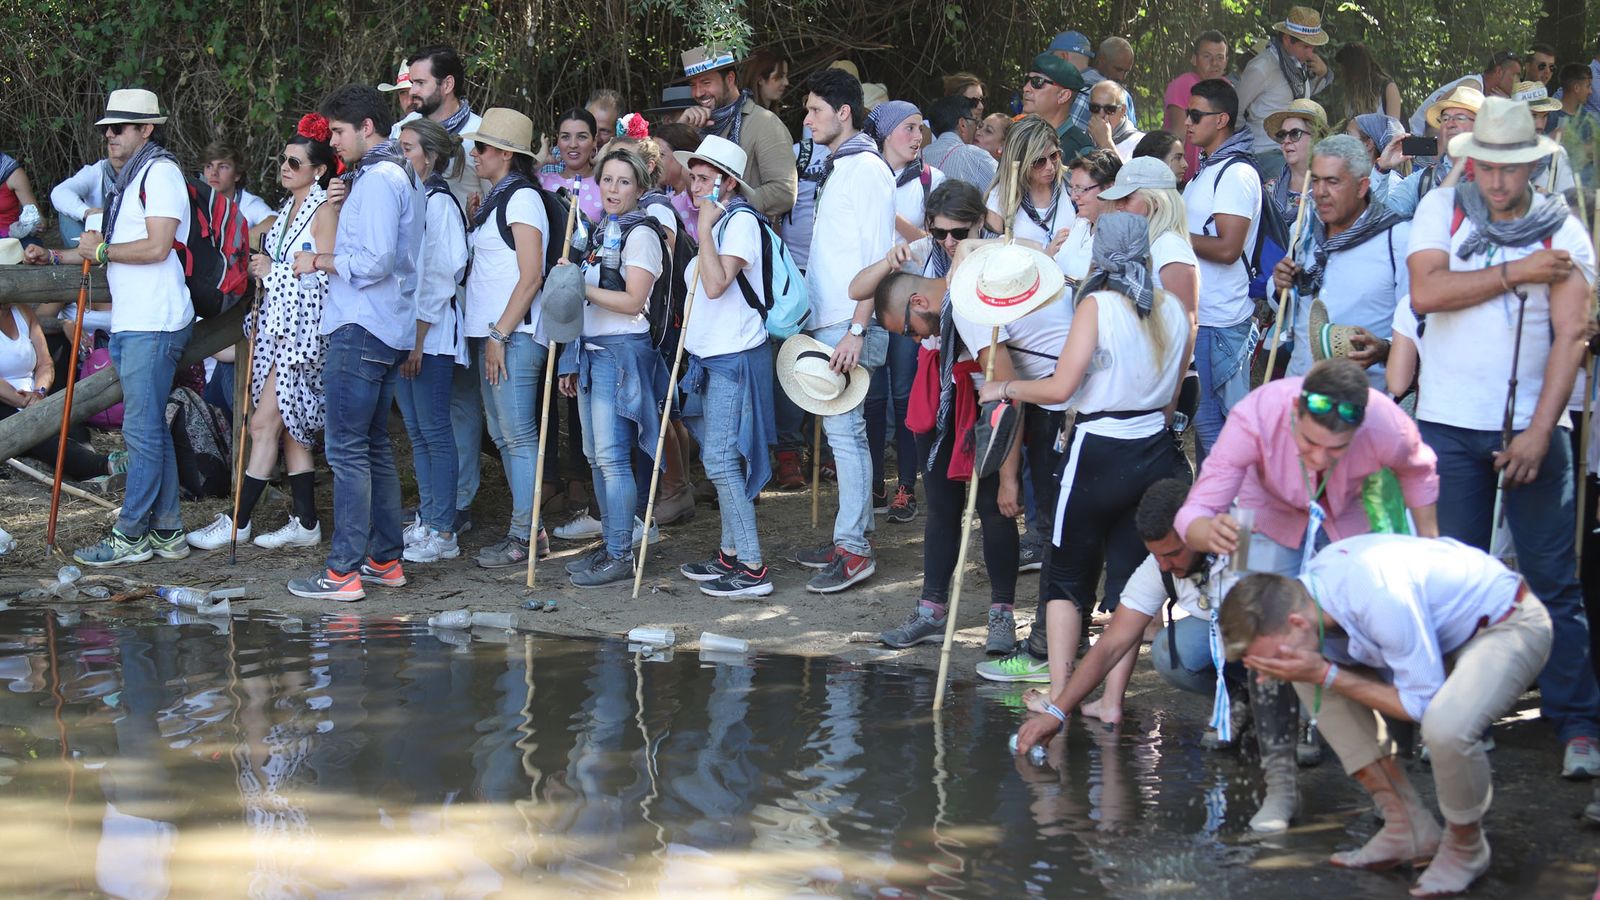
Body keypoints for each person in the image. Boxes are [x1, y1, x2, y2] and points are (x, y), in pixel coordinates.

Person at [1406, 95, 1600, 778]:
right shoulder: (1442, 208)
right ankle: (1458, 717)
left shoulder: (1566, 232)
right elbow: (1426, 293)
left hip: (1535, 430)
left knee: (1552, 581)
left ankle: (1578, 726)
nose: (1496, 182)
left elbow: (1572, 334)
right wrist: (1516, 272)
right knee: (1453, 576)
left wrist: (1542, 431)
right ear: (1473, 161)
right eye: (1486, 166)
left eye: (1510, 169)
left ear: (1531, 166)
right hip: (1449, 422)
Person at [1178, 358, 1440, 830]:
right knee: (1263, 634)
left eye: (1334, 448)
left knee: (1378, 630)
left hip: (1348, 516)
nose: (1318, 458)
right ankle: (1280, 787)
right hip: (1260, 520)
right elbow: (1196, 507)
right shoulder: (1255, 414)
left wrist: (1428, 548)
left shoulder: (1384, 420)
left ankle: (1394, 789)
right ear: (1295, 411)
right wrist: (1205, 530)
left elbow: (1419, 471)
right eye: (1309, 443)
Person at [1219, 536, 1553, 897]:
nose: (1270, 673)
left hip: (1509, 624)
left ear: (1298, 622)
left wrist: (1326, 674)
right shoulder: (1312, 598)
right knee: (1303, 676)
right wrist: (1313, 674)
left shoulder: (1377, 595)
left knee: (1446, 725)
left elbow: (1423, 707)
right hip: (1445, 640)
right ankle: (1406, 825)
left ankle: (1466, 848)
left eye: (1273, 657)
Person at [977, 213, 1193, 725]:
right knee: (1127, 583)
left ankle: (1058, 694)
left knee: (1066, 578)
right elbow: (1170, 400)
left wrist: (1003, 388)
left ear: (1099, 251)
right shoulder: (1174, 309)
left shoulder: (1097, 303)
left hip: (1099, 452)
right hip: (1157, 451)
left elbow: (1060, 390)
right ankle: (1111, 703)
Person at [867, 235, 1068, 655]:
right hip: (955, 406)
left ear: (919, 303)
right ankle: (931, 611)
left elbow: (1007, 397)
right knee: (942, 508)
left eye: (907, 330)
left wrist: (1011, 476)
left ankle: (1001, 614)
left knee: (996, 510)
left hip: (1007, 405)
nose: (913, 340)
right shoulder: (947, 299)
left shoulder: (970, 310)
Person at [24, 89, 194, 568]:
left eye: (119, 128)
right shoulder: (128, 178)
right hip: (136, 319)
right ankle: (167, 530)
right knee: (149, 431)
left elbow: (158, 246)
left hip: (154, 322)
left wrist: (98, 252)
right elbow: (106, 250)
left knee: (140, 432)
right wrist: (56, 255)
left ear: (146, 129)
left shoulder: (160, 173)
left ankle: (131, 534)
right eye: (106, 128)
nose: (110, 136)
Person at [285, 83, 422, 601]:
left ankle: (342, 570)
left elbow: (376, 261)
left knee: (347, 451)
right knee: (371, 447)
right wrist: (339, 206)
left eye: (339, 132)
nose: (333, 143)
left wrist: (317, 261)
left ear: (367, 127)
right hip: (381, 326)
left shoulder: (382, 177)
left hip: (362, 327)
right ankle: (384, 561)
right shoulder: (381, 175)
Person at [186, 115, 337, 554]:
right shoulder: (286, 209)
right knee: (288, 427)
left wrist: (276, 272)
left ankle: (238, 520)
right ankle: (306, 521)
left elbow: (329, 279)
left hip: (304, 338)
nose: (286, 166)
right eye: (283, 159)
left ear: (319, 170)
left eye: (296, 161)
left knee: (264, 422)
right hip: (275, 331)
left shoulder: (325, 211)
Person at [1011, 480, 1237, 743]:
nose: (1164, 566)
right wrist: (1056, 713)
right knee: (1169, 651)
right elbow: (1111, 645)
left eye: (1173, 554)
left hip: (1271, 631)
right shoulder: (1159, 566)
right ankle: (1238, 697)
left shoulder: (1238, 546)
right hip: (1223, 633)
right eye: (1157, 555)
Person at [792, 66, 894, 593]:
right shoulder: (843, 165)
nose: (807, 120)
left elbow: (880, 257)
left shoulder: (868, 169)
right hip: (831, 319)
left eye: (814, 110)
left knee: (846, 435)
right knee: (842, 436)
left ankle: (854, 551)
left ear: (843, 112)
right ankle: (852, 537)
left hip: (849, 323)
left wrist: (858, 327)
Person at [556, 146, 670, 588]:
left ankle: (622, 552)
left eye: (624, 182)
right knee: (593, 456)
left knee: (612, 458)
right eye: (607, 180)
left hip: (620, 354)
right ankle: (611, 542)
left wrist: (578, 288)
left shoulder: (641, 233)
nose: (613, 189)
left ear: (640, 188)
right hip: (592, 352)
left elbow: (632, 301)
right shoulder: (604, 228)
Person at [673, 136, 777, 597]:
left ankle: (752, 564)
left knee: (719, 457)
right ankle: (730, 554)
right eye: (692, 176)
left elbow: (715, 286)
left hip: (735, 357)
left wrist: (706, 227)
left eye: (702, 178)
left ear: (727, 183)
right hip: (712, 356)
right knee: (717, 456)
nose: (693, 186)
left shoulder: (739, 224)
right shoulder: (718, 222)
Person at [460, 108, 550, 570]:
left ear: (504, 154)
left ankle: (524, 535)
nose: (473, 154)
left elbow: (531, 275)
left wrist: (500, 332)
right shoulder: (501, 198)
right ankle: (527, 530)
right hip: (496, 335)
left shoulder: (522, 200)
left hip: (512, 335)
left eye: (480, 147)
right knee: (503, 433)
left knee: (517, 436)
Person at [1272, 135, 1408, 389]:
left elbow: (1416, 327)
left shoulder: (1396, 240)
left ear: (1361, 187)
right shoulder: (1304, 230)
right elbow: (1288, 308)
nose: (1320, 192)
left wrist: (1385, 348)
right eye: (1316, 180)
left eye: (1332, 182)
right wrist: (1280, 285)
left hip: (1361, 401)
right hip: (1298, 388)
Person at [395, 117, 469, 564]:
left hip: (431, 336)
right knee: (418, 433)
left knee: (435, 431)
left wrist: (417, 339)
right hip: (409, 334)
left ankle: (444, 529)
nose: (400, 156)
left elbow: (442, 275)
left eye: (407, 148)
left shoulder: (439, 203)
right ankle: (429, 516)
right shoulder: (415, 198)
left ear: (431, 155)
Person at [867, 99, 945, 522]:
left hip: (913, 302)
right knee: (873, 395)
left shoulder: (931, 179)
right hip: (870, 301)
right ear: (886, 133)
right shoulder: (862, 174)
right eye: (908, 128)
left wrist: (892, 216)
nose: (917, 137)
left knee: (906, 394)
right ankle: (876, 482)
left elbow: (940, 240)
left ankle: (906, 488)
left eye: (920, 129)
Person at [1182, 78, 1262, 458]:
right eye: (1187, 113)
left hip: (1222, 321)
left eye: (1196, 115)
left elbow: (1229, 248)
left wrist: (1173, 235)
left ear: (1222, 120)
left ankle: (1238, 513)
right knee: (1208, 429)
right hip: (1205, 317)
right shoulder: (1208, 169)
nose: (1187, 121)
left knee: (1223, 436)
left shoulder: (1236, 174)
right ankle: (1215, 512)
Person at [0, 302, 120, 482]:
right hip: (7, 399)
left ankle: (89, 463)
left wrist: (39, 392)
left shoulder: (22, 312)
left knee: (69, 425)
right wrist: (21, 401)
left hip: (33, 393)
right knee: (35, 433)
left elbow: (45, 362)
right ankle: (103, 466)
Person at [675, 45, 798, 221]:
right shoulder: (696, 125)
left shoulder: (764, 123)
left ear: (730, 79)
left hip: (744, 240)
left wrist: (729, 205)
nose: (698, 92)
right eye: (693, 85)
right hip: (700, 238)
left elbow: (784, 191)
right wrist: (682, 132)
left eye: (706, 82)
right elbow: (673, 183)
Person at [1236, 6, 1334, 181]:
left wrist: (1323, 74)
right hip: (1266, 152)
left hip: (1296, 150)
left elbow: (1303, 98)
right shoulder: (1262, 67)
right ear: (1288, 40)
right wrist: (1245, 147)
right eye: (1306, 46)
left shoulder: (1296, 65)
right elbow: (1235, 109)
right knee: (1301, 182)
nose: (1311, 53)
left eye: (1313, 47)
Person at [1104, 156, 1200, 319]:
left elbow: (1187, 324)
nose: (1118, 205)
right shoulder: (1146, 242)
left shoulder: (1171, 248)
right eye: (1117, 199)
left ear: (1155, 201)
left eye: (1126, 198)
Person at [395, 46, 489, 207]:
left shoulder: (481, 134)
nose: (412, 91)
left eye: (420, 83)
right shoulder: (404, 128)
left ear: (447, 84)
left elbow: (495, 201)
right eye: (412, 83)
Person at [984, 116, 1073, 272]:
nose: (1050, 166)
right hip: (1023, 287)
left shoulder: (1072, 186)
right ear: (1019, 162)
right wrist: (1043, 253)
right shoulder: (1001, 196)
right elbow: (991, 255)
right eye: (1038, 162)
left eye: (1054, 156)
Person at [1382, 84, 1482, 219]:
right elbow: (1378, 218)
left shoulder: (1499, 174)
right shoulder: (1424, 179)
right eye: (1445, 119)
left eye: (1460, 118)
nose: (1450, 123)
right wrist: (1382, 169)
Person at [1164, 30, 1230, 180]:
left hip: (1214, 175)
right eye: (1207, 56)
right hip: (1184, 177)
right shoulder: (1183, 84)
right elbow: (1178, 136)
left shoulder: (1227, 87)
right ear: (1194, 59)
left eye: (1220, 57)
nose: (1214, 63)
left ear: (1226, 61)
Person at [1408, 51, 1520, 136]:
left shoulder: (1487, 94)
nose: (1518, 82)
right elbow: (1435, 126)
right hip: (1417, 144)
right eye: (1515, 75)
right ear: (1499, 71)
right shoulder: (1472, 86)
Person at [1057, 149, 1122, 281]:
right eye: (1073, 189)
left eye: (1081, 189)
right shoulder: (1080, 222)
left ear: (1110, 188)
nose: (1074, 197)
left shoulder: (1122, 238)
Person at [1262, 98, 1329, 221]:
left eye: (1295, 133)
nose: (1286, 141)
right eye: (1282, 135)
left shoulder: (1331, 188)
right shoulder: (1269, 191)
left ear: (1316, 139)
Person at [1021, 52, 1094, 163]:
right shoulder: (1020, 136)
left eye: (1037, 82)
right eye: (1027, 80)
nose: (1026, 88)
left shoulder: (1080, 151)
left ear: (1063, 96)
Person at [537, 107, 603, 224]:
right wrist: (539, 161)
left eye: (582, 137)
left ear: (594, 141)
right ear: (558, 141)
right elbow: (508, 183)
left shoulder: (606, 183)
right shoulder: (540, 180)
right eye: (565, 137)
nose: (573, 144)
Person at [923, 94, 998, 191]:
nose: (978, 129)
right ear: (962, 124)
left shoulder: (918, 158)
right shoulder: (975, 156)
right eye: (976, 122)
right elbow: (1008, 192)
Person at [199, 141, 276, 234]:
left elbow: (275, 222)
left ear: (237, 175)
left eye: (222, 167)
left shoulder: (247, 203)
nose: (214, 173)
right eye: (209, 166)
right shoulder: (194, 199)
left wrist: (243, 242)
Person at [51, 147, 121, 247]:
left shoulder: (146, 172)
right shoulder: (98, 171)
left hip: (130, 235)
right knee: (66, 211)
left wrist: (109, 214)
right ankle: (82, 254)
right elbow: (59, 192)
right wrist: (85, 212)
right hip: (96, 235)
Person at [1517, 81, 1576, 195]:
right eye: (1533, 116)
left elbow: (1569, 204)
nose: (1540, 125)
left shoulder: (1557, 155)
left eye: (1544, 116)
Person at [1556, 63, 1600, 190]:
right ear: (1576, 87)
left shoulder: (1588, 118)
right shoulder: (1551, 116)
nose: (1591, 91)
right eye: (1588, 86)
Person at [1332, 42, 1401, 121]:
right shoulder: (1351, 92)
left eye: (1344, 67)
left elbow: (1394, 127)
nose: (1342, 72)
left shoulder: (1387, 87)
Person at [1077, 36, 1137, 126]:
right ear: (1101, 60)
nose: (1122, 77)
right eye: (1118, 69)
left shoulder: (1074, 83)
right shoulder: (1085, 90)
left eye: (1126, 72)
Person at [1087, 81, 1144, 162]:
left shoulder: (1139, 142)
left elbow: (1128, 174)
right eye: (1095, 108)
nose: (1101, 114)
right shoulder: (1084, 138)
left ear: (1123, 110)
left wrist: (1106, 143)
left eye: (1109, 109)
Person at [0, 152, 40, 242]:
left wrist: (32, 224)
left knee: (31, 250)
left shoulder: (13, 173)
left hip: (10, 237)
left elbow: (37, 217)